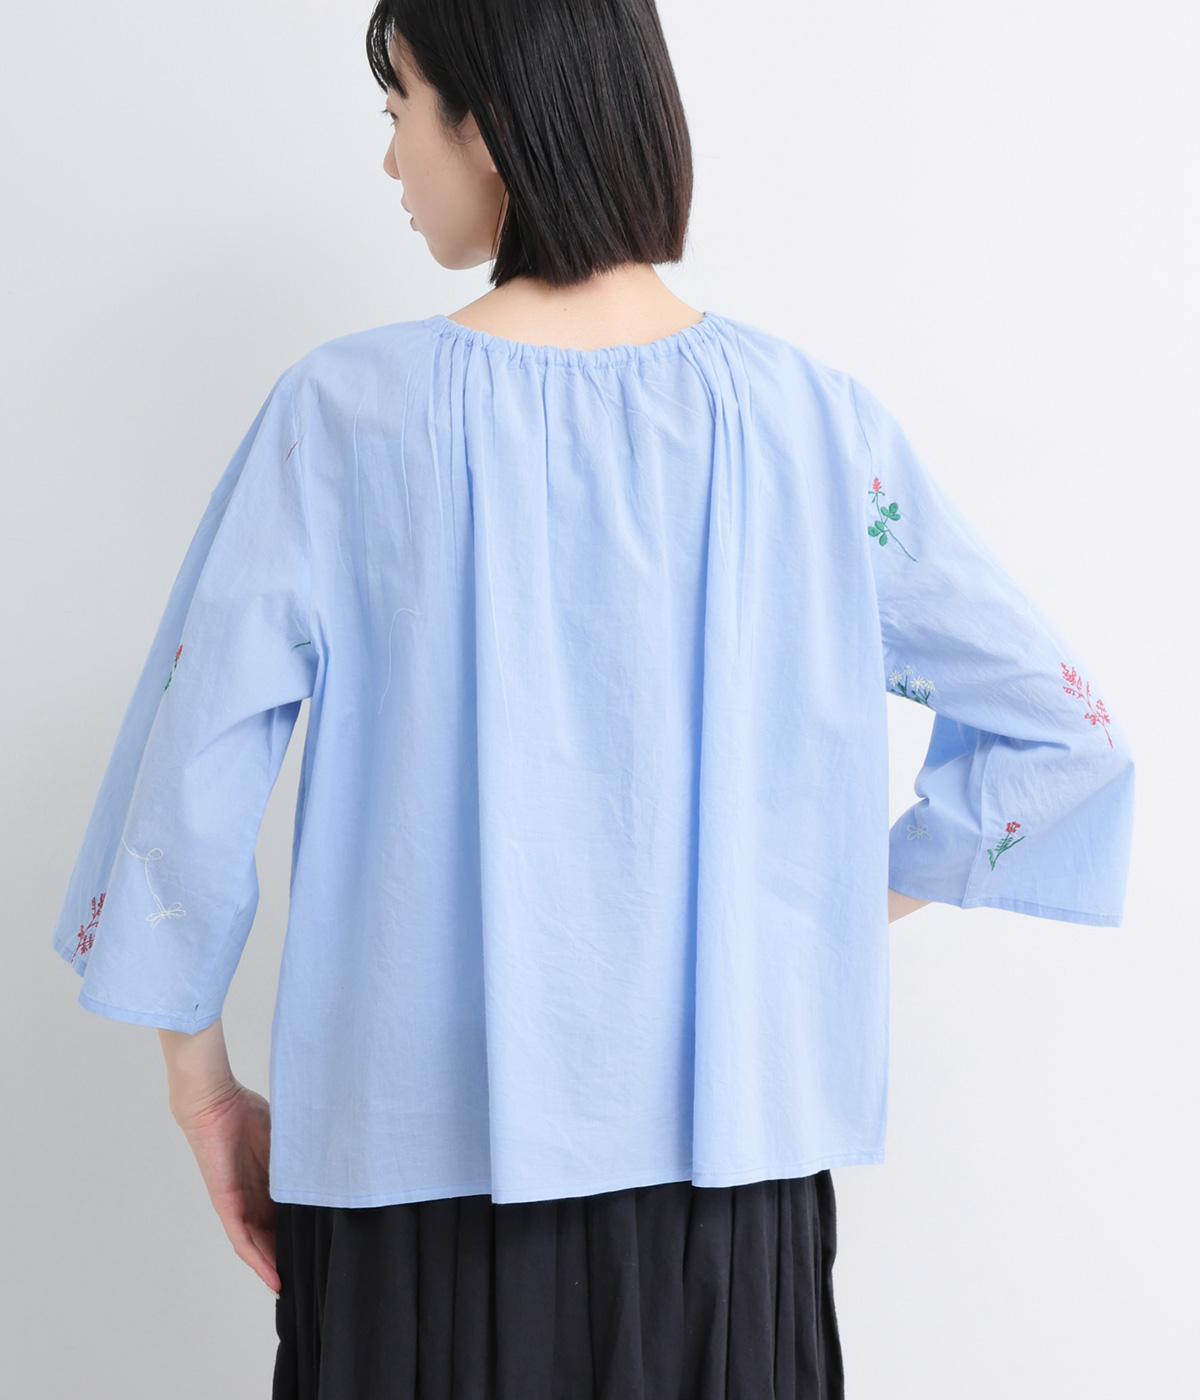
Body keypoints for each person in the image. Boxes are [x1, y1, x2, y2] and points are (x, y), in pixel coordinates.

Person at [51, 2, 1136, 1397]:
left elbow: (186, 780)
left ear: (489, 129)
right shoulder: (815, 426)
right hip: (729, 1179)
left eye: (398, 109)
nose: (389, 159)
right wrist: (813, 911)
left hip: (408, 1183)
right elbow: (1064, 734)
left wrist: (202, 1090)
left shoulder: (342, 418)